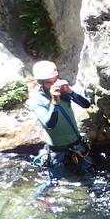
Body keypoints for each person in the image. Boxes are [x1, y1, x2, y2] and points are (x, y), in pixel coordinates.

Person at [28, 60, 94, 197]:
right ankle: (38, 198)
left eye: (55, 80)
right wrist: (54, 102)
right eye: (48, 82)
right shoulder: (37, 101)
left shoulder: (64, 93)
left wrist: (70, 92)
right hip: (57, 149)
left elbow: (86, 105)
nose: (53, 85)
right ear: (39, 82)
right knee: (54, 180)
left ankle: (95, 192)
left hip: (76, 143)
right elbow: (50, 125)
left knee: (90, 169)